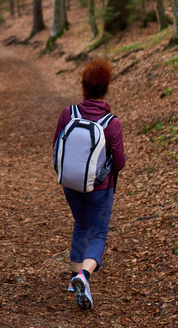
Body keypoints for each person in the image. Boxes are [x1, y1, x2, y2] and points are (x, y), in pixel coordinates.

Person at [53, 57, 126, 310]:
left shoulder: (68, 114)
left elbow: (56, 148)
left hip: (70, 184)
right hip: (100, 189)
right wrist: (103, 176)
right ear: (105, 89)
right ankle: (85, 274)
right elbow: (120, 161)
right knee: (97, 233)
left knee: (80, 224)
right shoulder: (111, 123)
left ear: (83, 87)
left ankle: (74, 279)